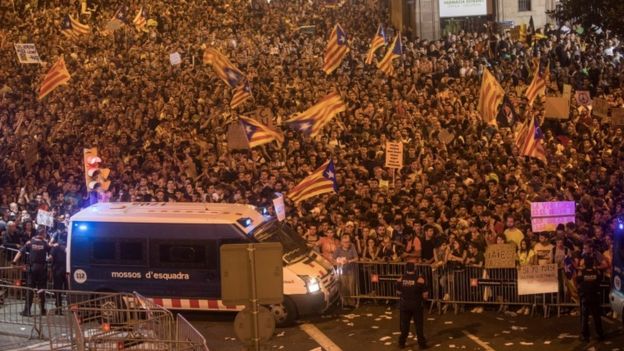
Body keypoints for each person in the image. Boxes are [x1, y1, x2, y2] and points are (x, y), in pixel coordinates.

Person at [12, 225, 50, 316]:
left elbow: (20, 252)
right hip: (42, 268)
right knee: (41, 289)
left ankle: (27, 311)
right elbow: (51, 255)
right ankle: (42, 310)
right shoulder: (45, 243)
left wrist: (14, 262)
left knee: (30, 289)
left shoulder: (30, 242)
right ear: (43, 234)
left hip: (32, 268)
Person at [576, 241, 605, 342]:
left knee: (584, 317)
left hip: (585, 297)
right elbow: (599, 279)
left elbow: (578, 280)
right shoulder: (596, 272)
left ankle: (584, 335)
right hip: (594, 296)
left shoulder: (582, 272)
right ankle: (600, 334)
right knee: (597, 316)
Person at [397, 262, 428, 349]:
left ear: (406, 269)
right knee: (419, 326)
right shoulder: (420, 280)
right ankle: (422, 344)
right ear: (414, 269)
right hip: (416, 305)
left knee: (404, 326)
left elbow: (398, 292)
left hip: (404, 305)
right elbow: (425, 295)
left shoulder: (401, 279)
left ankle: (401, 343)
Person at [333, 234, 358, 309]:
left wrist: (349, 261)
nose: (347, 244)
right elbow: (333, 258)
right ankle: (344, 302)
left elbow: (356, 258)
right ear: (341, 242)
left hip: (351, 270)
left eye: (348, 242)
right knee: (343, 287)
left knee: (351, 286)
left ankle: (352, 302)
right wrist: (337, 261)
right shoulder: (338, 249)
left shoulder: (352, 247)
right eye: (345, 242)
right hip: (342, 271)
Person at [50, 234, 68, 314]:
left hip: (57, 270)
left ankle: (59, 308)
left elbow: (50, 257)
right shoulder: (69, 247)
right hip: (67, 270)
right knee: (68, 290)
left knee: (57, 290)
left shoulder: (55, 247)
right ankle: (70, 307)